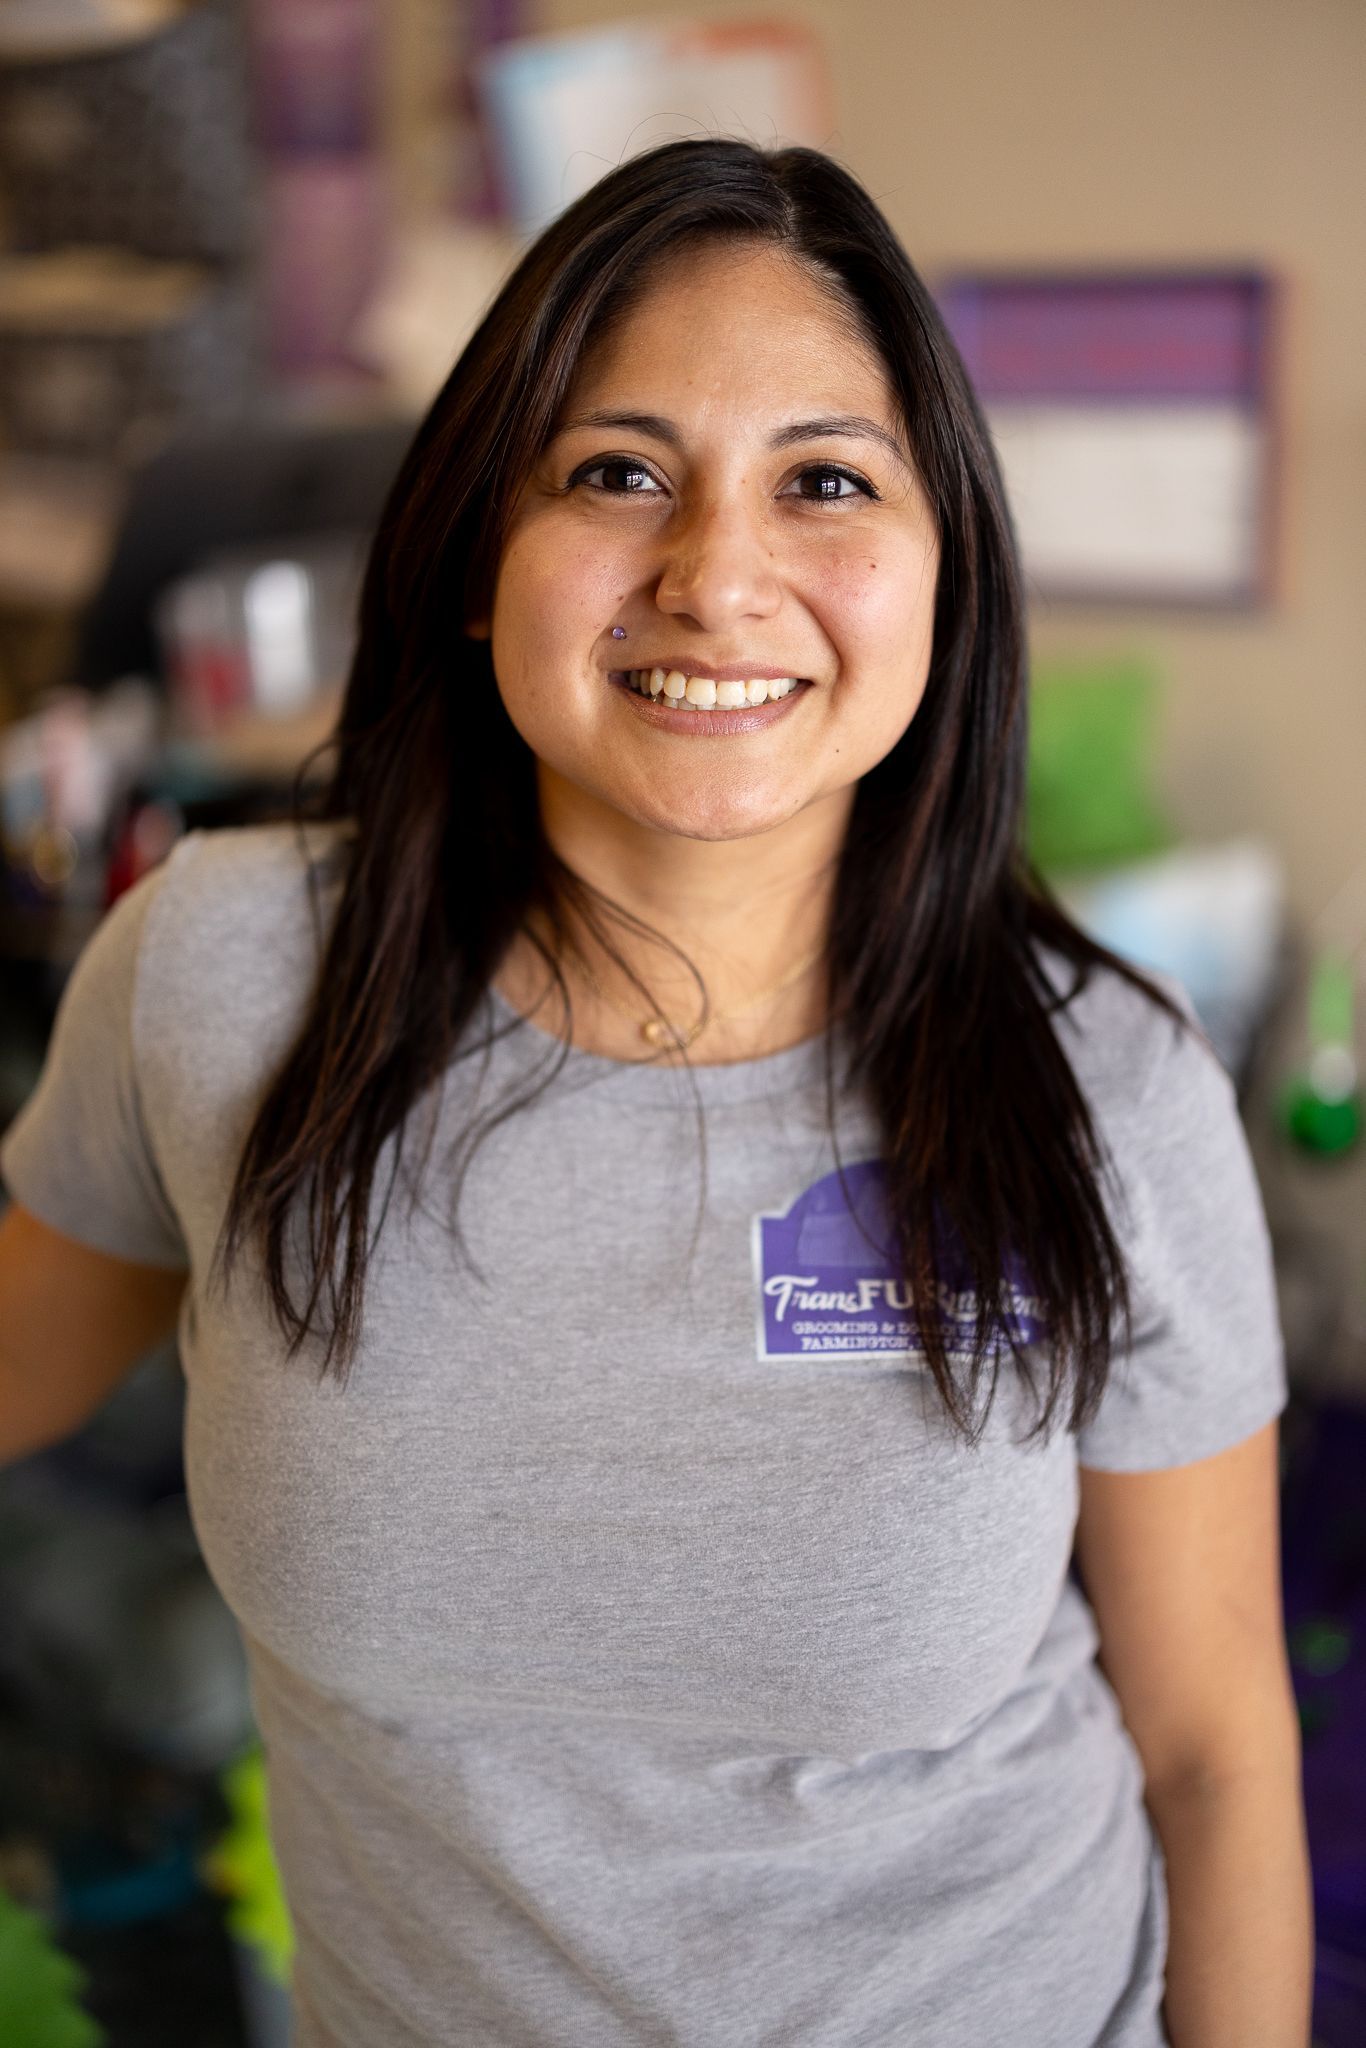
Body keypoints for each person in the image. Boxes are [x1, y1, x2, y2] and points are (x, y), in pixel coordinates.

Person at [0, 139, 1312, 2047]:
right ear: (473, 559)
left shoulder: (1103, 1085)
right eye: (618, 473)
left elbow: (1212, 1747)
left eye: (826, 484)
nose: (718, 575)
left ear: (941, 581)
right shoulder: (225, 974)